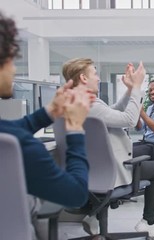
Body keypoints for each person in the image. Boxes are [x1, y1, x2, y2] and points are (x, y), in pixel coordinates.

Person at [0, 11, 93, 239]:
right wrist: (75, 131)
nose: (13, 70)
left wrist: (47, 113)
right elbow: (76, 194)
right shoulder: (22, 145)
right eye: (11, 60)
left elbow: (8, 131)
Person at [62, 58, 154, 238]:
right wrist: (138, 87)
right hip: (109, 174)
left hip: (89, 171)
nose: (98, 78)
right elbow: (130, 120)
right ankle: (148, 223)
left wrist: (130, 89)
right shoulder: (89, 105)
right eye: (95, 73)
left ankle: (94, 214)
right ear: (84, 78)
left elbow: (113, 112)